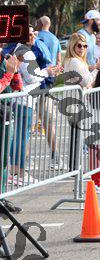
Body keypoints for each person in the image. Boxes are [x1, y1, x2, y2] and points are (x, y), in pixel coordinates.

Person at [10, 43, 61, 184]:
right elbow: (31, 77)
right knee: (21, 136)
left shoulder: (19, 49)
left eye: (34, 33)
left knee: (20, 136)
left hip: (22, 98)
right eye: (30, 33)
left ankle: (15, 172)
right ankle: (18, 173)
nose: (33, 36)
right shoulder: (25, 52)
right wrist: (47, 72)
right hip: (24, 99)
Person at [64, 33, 100, 172]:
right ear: (72, 46)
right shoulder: (74, 61)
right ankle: (75, 168)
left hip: (77, 103)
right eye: (79, 45)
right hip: (74, 104)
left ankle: (75, 167)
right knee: (77, 138)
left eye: (85, 46)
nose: (82, 48)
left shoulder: (77, 61)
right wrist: (98, 68)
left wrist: (94, 68)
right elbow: (86, 81)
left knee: (77, 137)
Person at [0, 48, 24, 213]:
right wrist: (8, 73)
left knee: (3, 161)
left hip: (6, 114)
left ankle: (1, 198)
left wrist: (14, 70)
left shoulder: (4, 58)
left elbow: (18, 87)